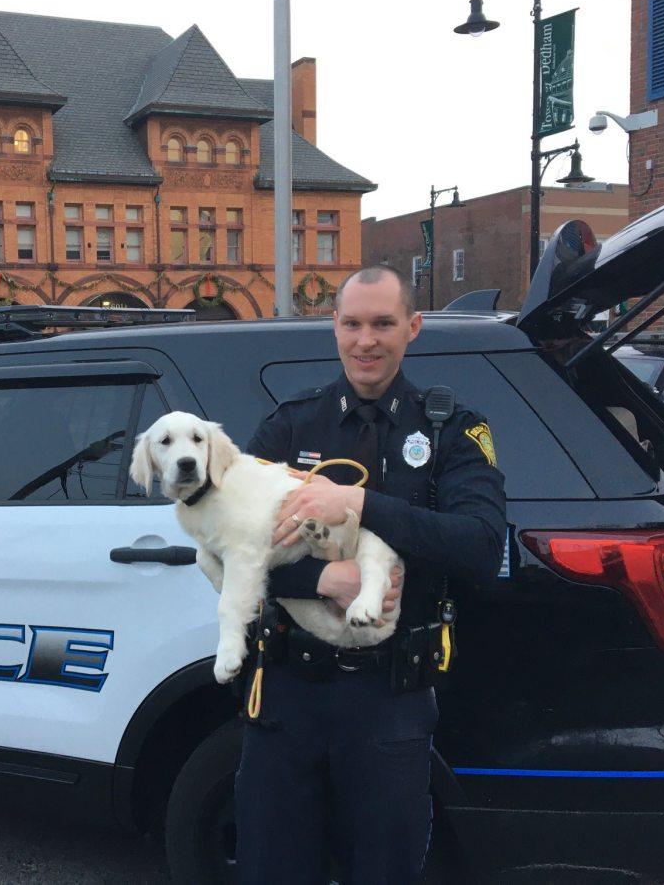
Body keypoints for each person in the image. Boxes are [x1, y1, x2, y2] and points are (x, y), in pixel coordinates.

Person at [235, 265, 507, 884]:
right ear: (334, 327)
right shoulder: (291, 425)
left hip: (389, 701)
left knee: (384, 871)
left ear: (413, 328)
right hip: (285, 694)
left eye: (383, 323)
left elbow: (482, 545)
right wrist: (320, 583)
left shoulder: (453, 431)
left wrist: (358, 504)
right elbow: (232, 550)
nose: (366, 340)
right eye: (352, 323)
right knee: (272, 870)